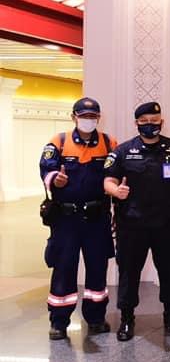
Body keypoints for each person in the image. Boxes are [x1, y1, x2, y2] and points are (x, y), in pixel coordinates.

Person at [104, 102, 170, 341]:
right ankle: (127, 319)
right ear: (136, 123)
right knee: (129, 271)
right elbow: (108, 180)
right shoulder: (123, 151)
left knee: (168, 270)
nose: (150, 125)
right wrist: (115, 191)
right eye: (144, 121)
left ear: (162, 122)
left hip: (166, 223)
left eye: (154, 121)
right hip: (132, 224)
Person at [39, 97, 116, 340]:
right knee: (63, 268)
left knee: (97, 268)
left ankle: (96, 317)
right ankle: (59, 321)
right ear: (74, 117)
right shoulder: (59, 141)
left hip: (97, 218)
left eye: (93, 117)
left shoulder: (109, 143)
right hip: (66, 219)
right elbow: (46, 168)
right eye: (83, 116)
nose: (88, 120)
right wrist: (55, 179)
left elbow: (116, 174)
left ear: (99, 118)